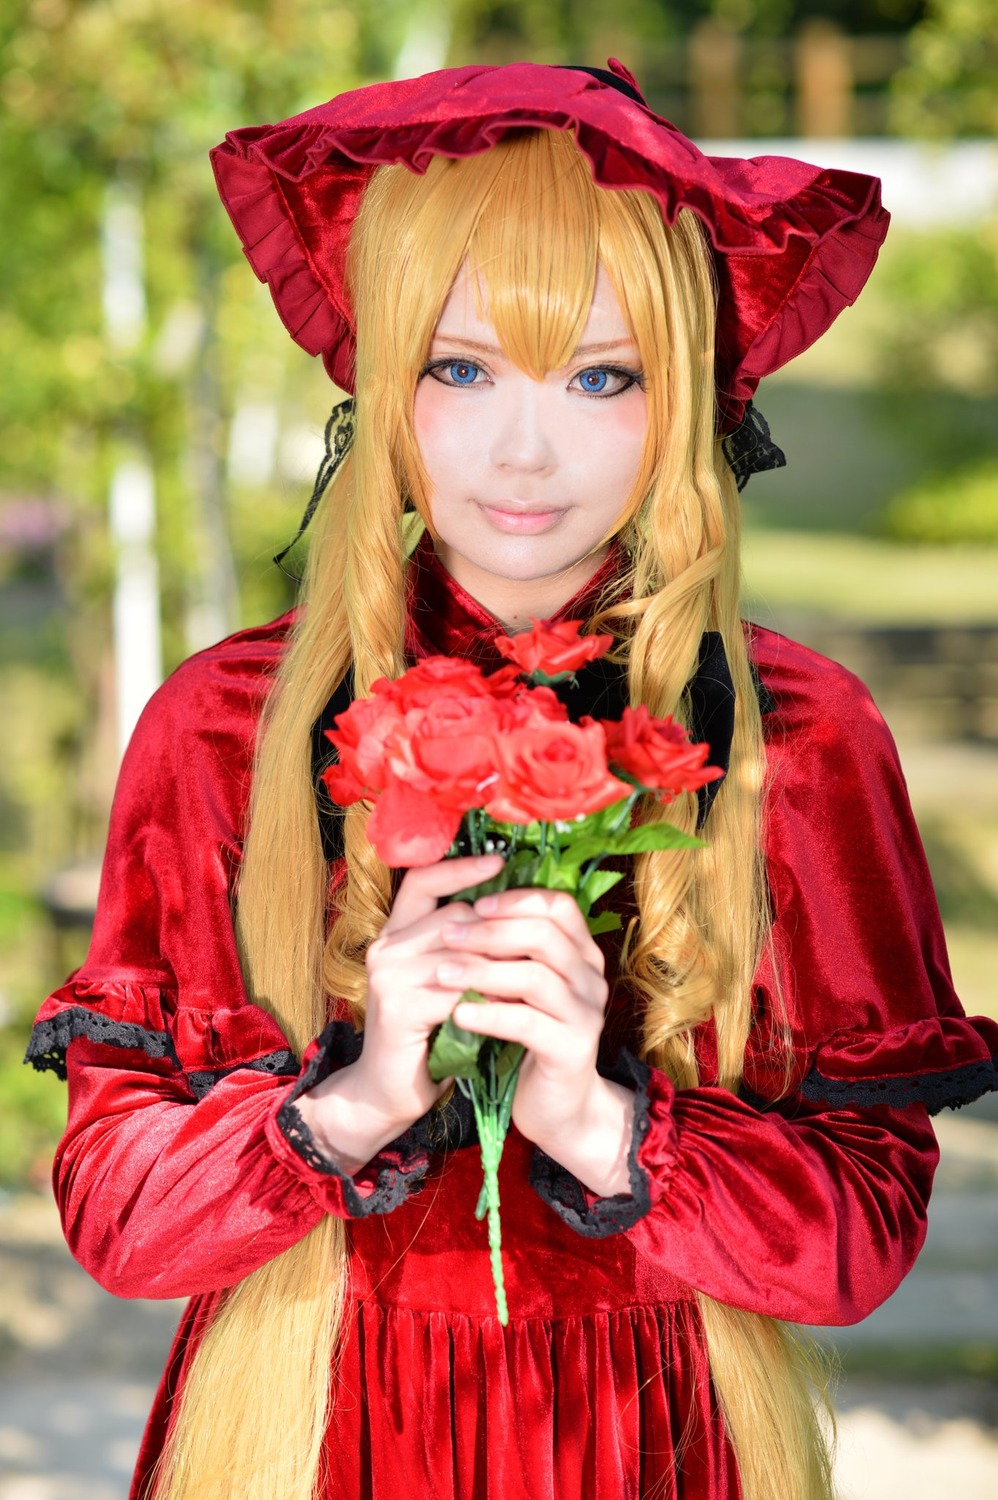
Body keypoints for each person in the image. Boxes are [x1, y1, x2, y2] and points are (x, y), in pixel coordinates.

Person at [26, 59, 998, 1500]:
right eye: (458, 367)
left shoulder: (795, 731)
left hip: (656, 1436)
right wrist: (347, 1101)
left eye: (602, 376)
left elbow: (854, 1248)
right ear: (377, 378)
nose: (523, 449)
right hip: (308, 1431)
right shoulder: (224, 725)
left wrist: (600, 1121)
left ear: (686, 398)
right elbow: (122, 1224)